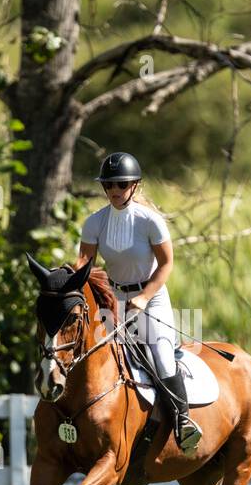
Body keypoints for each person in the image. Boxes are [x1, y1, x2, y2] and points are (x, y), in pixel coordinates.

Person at [75, 152, 202, 452]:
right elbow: (83, 266)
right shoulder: (95, 223)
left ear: (134, 185)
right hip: (113, 299)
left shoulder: (150, 221)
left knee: (160, 356)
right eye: (108, 185)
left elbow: (167, 264)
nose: (114, 190)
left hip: (152, 298)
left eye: (120, 184)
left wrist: (144, 297)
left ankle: (183, 422)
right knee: (92, 355)